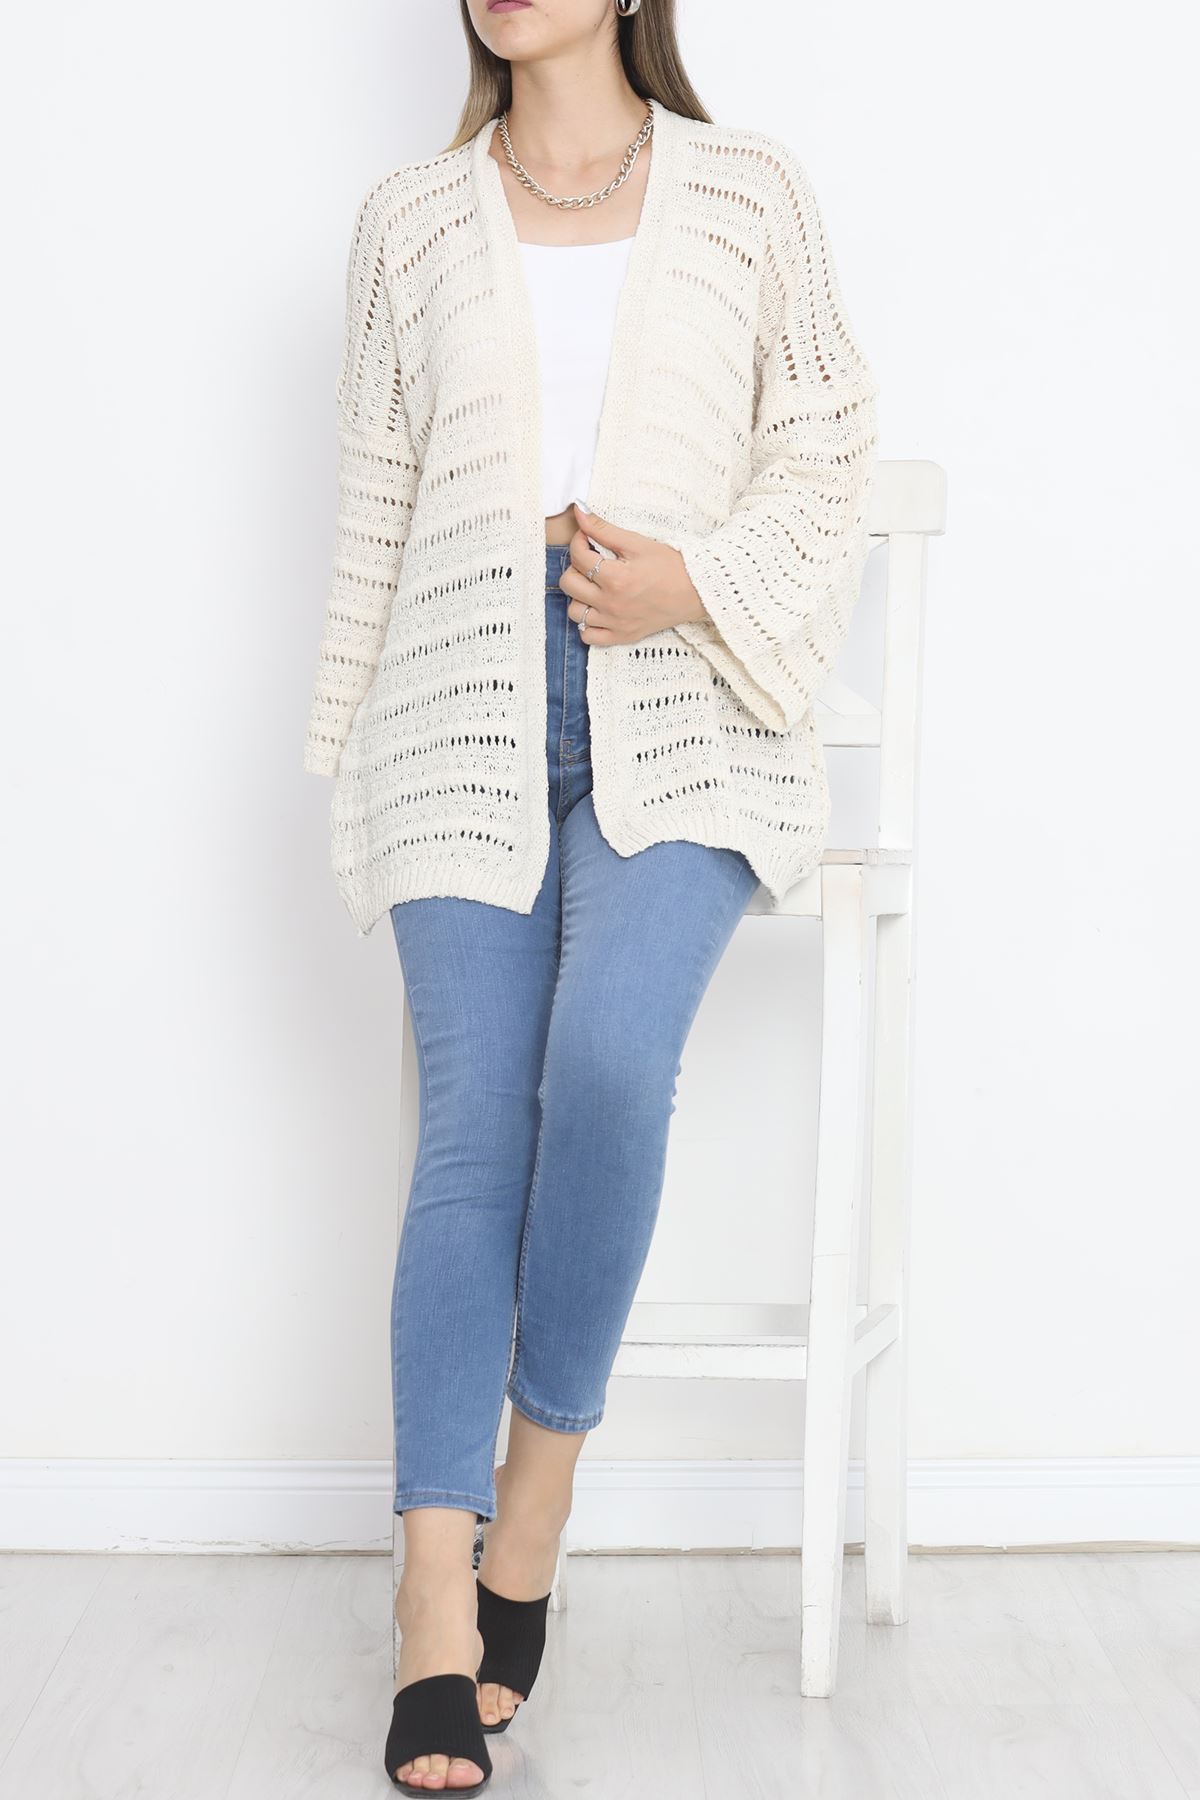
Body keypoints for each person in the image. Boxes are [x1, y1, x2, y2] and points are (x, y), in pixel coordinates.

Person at [302, 2, 879, 1790]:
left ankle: (533, 1501)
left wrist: (691, 584)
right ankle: (434, 1593)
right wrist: (346, 740)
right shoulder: (408, 221)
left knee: (612, 1066)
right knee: (476, 1121)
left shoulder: (748, 192)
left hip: (682, 705)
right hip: (456, 708)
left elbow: (828, 452)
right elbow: (377, 497)